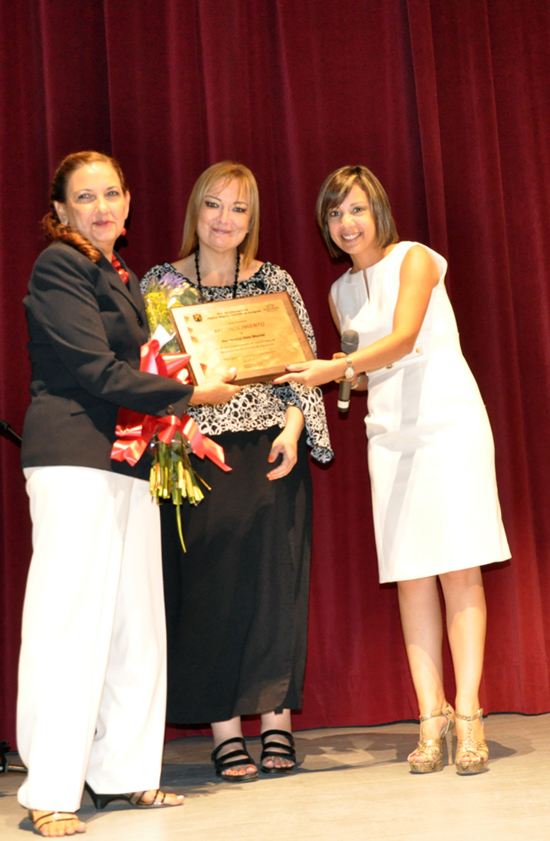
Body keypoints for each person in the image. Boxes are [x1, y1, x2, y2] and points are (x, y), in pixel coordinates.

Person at [17, 151, 239, 837]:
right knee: (69, 623)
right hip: (74, 454)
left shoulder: (122, 275)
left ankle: (123, 775)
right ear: (60, 211)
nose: (101, 206)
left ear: (129, 200)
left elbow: (138, 364)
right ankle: (49, 790)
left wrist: (179, 409)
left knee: (133, 626)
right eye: (84, 197)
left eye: (111, 192)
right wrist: (190, 391)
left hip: (129, 460)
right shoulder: (59, 266)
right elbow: (93, 368)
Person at [275, 165, 510, 775]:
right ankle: (429, 720)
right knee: (410, 578)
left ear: (377, 208)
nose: (347, 223)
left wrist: (333, 369)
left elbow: (404, 338)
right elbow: (362, 370)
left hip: (447, 426)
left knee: (459, 570)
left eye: (355, 209)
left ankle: (469, 715)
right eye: (334, 214)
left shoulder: (415, 258)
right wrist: (335, 372)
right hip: (389, 437)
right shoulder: (339, 292)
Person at [142, 161, 332, 782]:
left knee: (278, 588)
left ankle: (276, 722)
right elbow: (151, 378)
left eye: (240, 209)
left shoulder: (274, 279)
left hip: (272, 449)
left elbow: (303, 368)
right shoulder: (163, 285)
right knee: (213, 593)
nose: (225, 220)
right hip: (201, 454)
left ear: (253, 220)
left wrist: (295, 429)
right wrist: (186, 426)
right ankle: (225, 728)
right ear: (195, 210)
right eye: (214, 205)